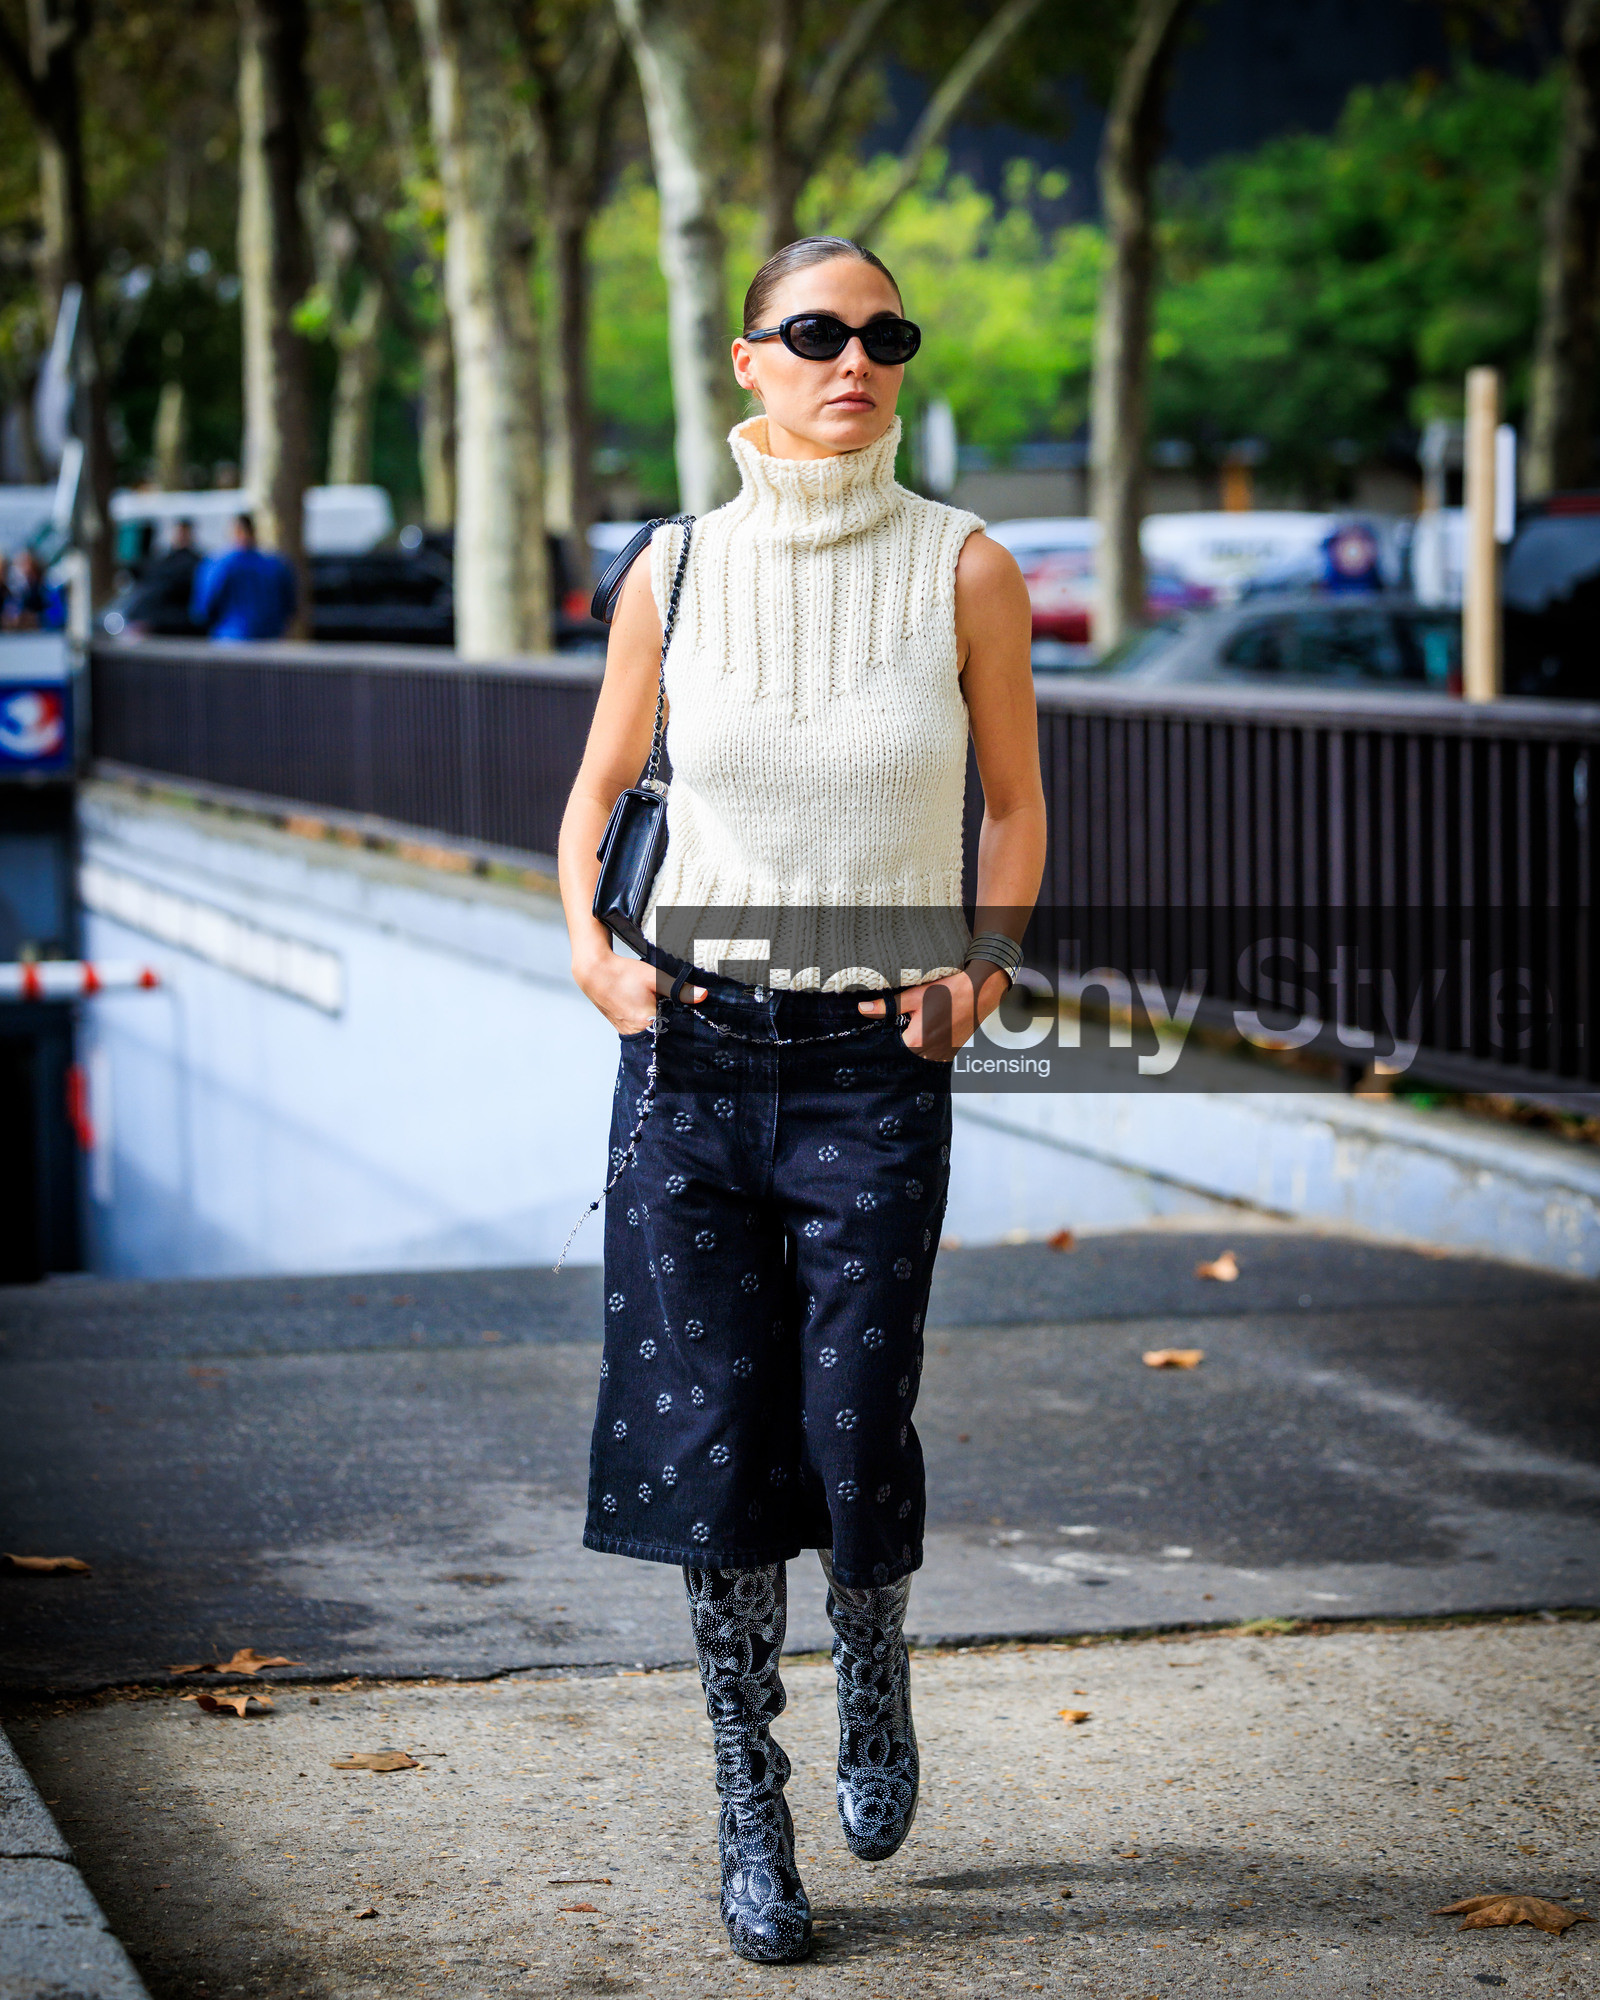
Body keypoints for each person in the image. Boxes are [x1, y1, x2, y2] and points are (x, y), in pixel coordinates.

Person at [557, 237, 1044, 1965]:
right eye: (819, 333)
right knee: (715, 1446)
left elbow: (1009, 803)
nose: (857, 359)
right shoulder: (673, 572)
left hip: (871, 1065)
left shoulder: (968, 569)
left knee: (850, 1418)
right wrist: (593, 959)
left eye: (884, 334)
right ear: (749, 361)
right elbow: (600, 788)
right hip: (688, 1053)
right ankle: (749, 1807)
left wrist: (978, 970)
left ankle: (876, 1646)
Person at [191, 513, 296, 640]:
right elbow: (290, 605)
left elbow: (204, 606)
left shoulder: (219, 564)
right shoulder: (276, 564)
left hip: (230, 638)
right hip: (269, 639)